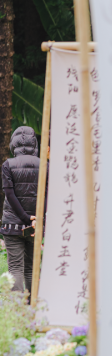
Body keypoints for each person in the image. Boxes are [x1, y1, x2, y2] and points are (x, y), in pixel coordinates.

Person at [1, 126, 40, 297]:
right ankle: (33, 310)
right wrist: (35, 219)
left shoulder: (8, 164)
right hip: (34, 224)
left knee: (15, 267)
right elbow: (46, 195)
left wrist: (23, 217)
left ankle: (17, 311)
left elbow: (9, 194)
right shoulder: (43, 165)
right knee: (31, 269)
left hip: (12, 224)